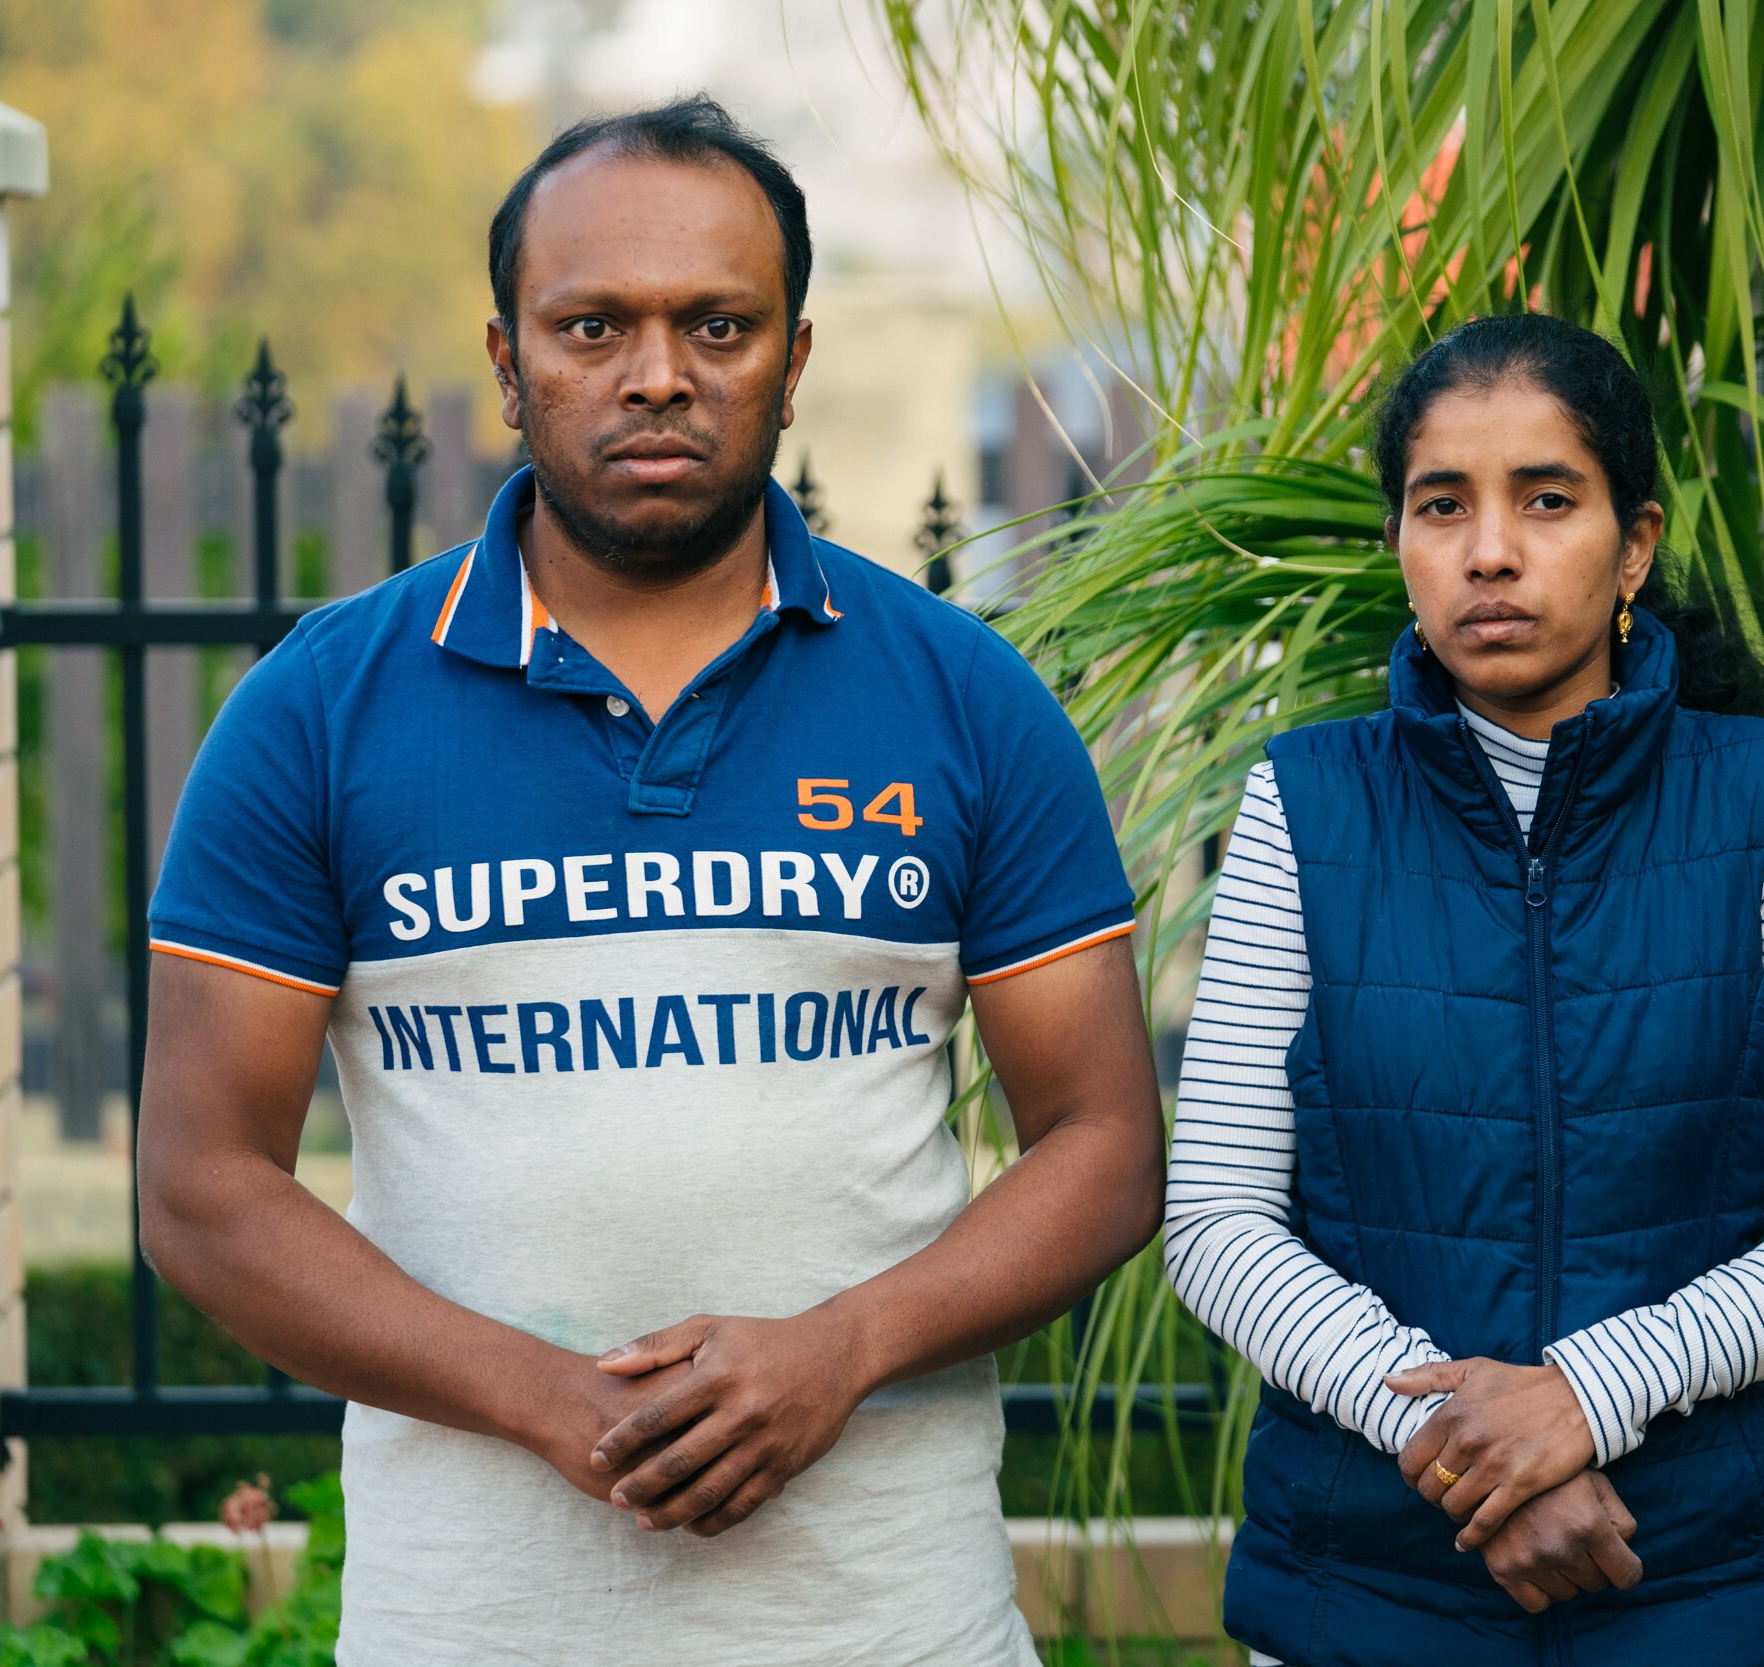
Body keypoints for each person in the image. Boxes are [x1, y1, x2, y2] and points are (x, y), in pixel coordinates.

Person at [136, 96, 1163, 1666]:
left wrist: (846, 1348)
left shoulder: (962, 695)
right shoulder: (321, 709)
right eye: (593, 325)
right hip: (471, 1625)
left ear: (796, 360)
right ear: (506, 358)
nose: (658, 374)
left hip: (889, 1625)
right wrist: (548, 1401)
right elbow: (204, 1191)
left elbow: (1102, 1143)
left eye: (719, 325)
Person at [1164, 312, 1764, 1664]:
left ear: (1634, 543)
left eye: (1546, 500)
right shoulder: (1305, 805)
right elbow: (1217, 1223)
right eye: (1441, 505)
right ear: (1399, 540)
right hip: (1366, 1590)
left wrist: (1587, 1395)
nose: (1490, 550)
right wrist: (1468, 1451)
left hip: (1686, 1580)